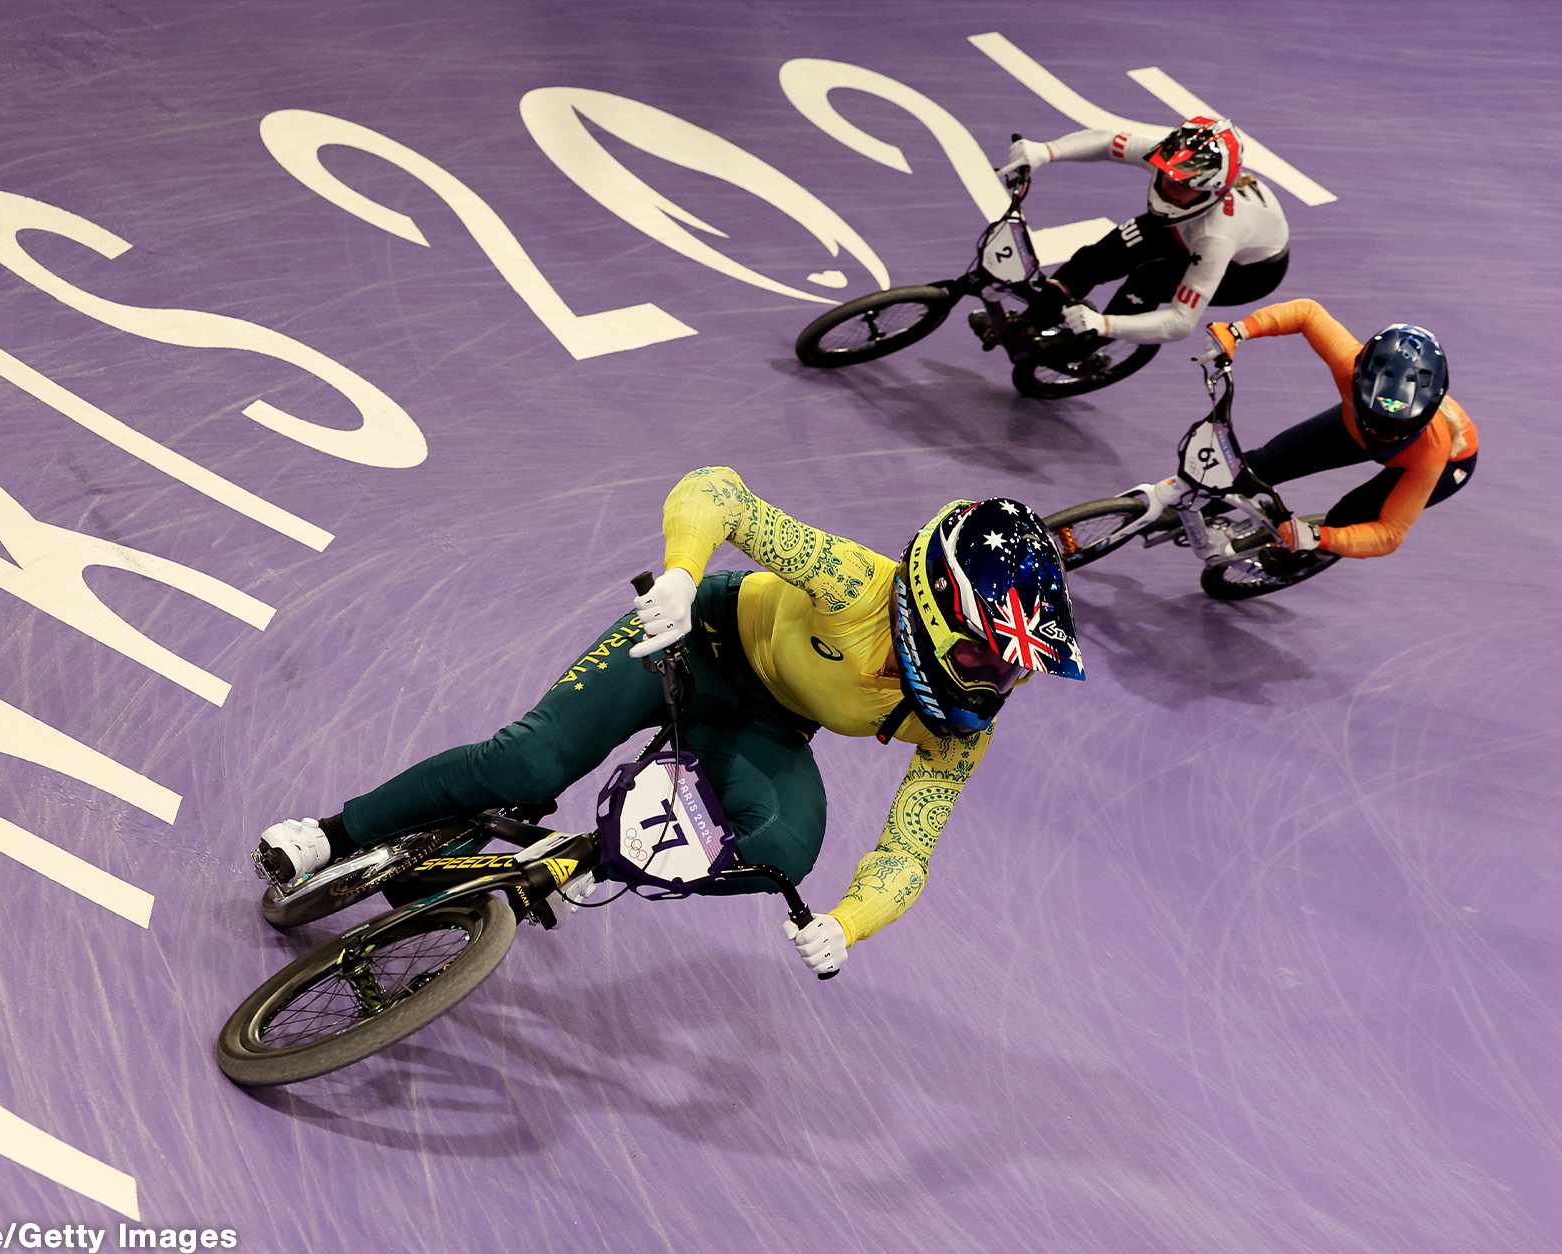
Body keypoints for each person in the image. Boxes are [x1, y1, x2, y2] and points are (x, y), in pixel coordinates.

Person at [258, 468, 1086, 976]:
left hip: (768, 724)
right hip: (690, 642)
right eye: (990, 655)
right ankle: (334, 832)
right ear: (938, 608)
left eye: (1015, 667)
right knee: (531, 764)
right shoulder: (854, 582)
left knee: (783, 850)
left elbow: (909, 848)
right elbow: (716, 492)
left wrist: (848, 923)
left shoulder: (961, 726)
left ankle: (588, 855)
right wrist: (685, 577)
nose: (998, 682)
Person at [1182, 300, 1474, 564]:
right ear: (1359, 384)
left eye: (1398, 426)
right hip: (1354, 423)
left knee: (1349, 517)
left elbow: (1389, 534)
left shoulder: (1433, 452)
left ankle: (1306, 559)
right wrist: (1237, 331)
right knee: (1262, 465)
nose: (1384, 434)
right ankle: (1186, 506)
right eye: (1376, 419)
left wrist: (1321, 539)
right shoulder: (1349, 366)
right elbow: (1307, 314)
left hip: (1443, 464)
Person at [996, 117, 1290, 346]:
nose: (1172, 186)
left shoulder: (1218, 237)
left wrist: (1104, 324)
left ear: (1211, 190)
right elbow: (1108, 142)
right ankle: (1033, 317)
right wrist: (1046, 151)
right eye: (1169, 176)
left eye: (1186, 185)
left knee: (1148, 281)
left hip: (1249, 272)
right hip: (1182, 225)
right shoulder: (1173, 159)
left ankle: (1084, 347)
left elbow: (1181, 322)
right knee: (1096, 257)